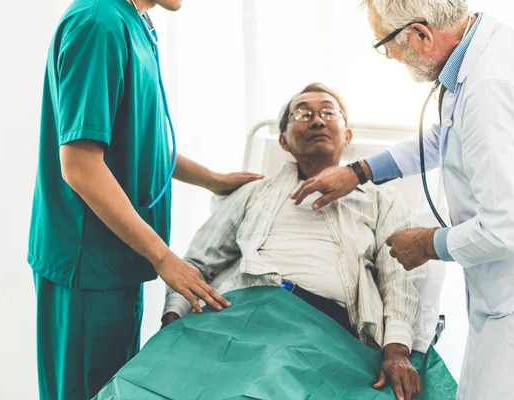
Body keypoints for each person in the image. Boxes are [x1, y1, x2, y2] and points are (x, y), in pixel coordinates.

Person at [291, 2, 514, 399]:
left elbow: (507, 231)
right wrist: (358, 172)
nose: (389, 55)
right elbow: (443, 139)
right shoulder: (483, 54)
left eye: (384, 44)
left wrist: (428, 244)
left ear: (421, 35)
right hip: (511, 291)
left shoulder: (488, 87)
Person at [27, 0, 261, 398]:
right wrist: (165, 258)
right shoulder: (99, 24)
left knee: (116, 388)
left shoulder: (136, 22)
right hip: (87, 264)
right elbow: (80, 166)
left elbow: (139, 141)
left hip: (116, 260)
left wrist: (212, 180)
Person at [161, 83, 444, 400]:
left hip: (326, 328)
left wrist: (396, 349)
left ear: (347, 136)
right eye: (303, 114)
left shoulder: (381, 199)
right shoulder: (252, 193)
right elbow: (199, 262)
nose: (318, 121)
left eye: (328, 112)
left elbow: (400, 273)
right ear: (283, 141)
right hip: (238, 314)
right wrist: (171, 322)